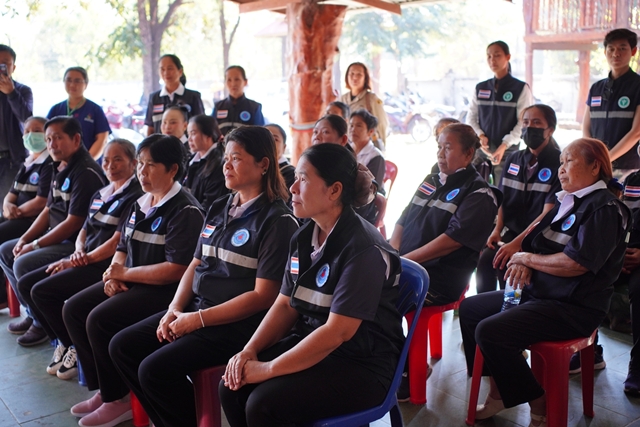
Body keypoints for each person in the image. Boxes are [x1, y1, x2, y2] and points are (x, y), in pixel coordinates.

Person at [110, 126, 299, 427]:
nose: (226, 165)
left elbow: (263, 296)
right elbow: (195, 263)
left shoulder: (277, 220)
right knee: (123, 346)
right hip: (197, 308)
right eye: (226, 158)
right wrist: (174, 309)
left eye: (236, 158)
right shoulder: (220, 206)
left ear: (263, 164)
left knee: (154, 370)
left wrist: (197, 320)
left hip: (236, 324)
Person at [218, 143, 403, 426]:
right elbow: (285, 304)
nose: (292, 188)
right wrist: (250, 350)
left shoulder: (363, 250)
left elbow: (337, 332)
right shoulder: (304, 236)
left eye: (303, 179)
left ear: (334, 190)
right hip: (312, 340)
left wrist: (268, 369)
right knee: (231, 386)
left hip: (362, 363)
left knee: (264, 404)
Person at [459, 138, 630, 427]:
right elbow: (532, 241)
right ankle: (499, 391)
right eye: (561, 162)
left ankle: (538, 402)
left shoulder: (605, 208)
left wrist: (527, 259)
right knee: (471, 310)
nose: (561, 169)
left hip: (573, 306)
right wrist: (522, 260)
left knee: (491, 330)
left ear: (595, 167)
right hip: (541, 294)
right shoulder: (567, 201)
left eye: (569, 162)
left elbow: (576, 264)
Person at [63, 134, 204, 427]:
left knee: (100, 319)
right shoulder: (140, 202)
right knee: (74, 308)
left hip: (165, 291)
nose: (142, 171)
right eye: (140, 164)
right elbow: (122, 246)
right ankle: (107, 391)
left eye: (150, 165)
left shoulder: (184, 209)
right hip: (133, 281)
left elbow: (176, 269)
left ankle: (119, 399)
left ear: (172, 169)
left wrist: (123, 274)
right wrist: (113, 274)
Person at [389, 123, 500, 401]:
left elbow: (451, 241)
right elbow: (405, 216)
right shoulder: (432, 178)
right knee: (360, 290)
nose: (440, 153)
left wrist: (403, 262)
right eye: (439, 147)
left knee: (381, 299)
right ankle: (397, 362)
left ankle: (407, 370)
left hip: (440, 278)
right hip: (408, 266)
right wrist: (392, 251)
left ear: (469, 153)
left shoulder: (479, 193)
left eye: (448, 148)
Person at [16, 139, 142, 380]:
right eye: (106, 160)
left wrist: (81, 259)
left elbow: (116, 243)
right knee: (26, 284)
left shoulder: (135, 196)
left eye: (118, 160)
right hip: (84, 257)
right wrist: (78, 249)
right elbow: (84, 228)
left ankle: (74, 347)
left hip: (103, 264)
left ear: (133, 163)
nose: (110, 166)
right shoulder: (101, 193)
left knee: (44, 292)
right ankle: (65, 342)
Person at [0, 116, 106, 346]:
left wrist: (35, 245)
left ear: (76, 139)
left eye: (57, 138)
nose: (51, 144)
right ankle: (34, 313)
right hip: (56, 235)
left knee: (23, 263)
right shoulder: (59, 166)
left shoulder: (85, 172)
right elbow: (48, 210)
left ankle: (42, 323)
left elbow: (73, 223)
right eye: (48, 139)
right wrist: (25, 239)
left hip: (74, 244)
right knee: (8, 250)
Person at [476, 105, 562, 293]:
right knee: (485, 261)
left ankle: (506, 308)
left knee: (505, 265)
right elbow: (502, 199)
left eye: (536, 122)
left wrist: (516, 245)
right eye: (526, 122)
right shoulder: (514, 159)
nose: (529, 127)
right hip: (511, 232)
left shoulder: (559, 163)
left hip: (539, 237)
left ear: (550, 130)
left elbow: (548, 213)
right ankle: (483, 307)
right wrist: (497, 230)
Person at [0, 116, 52, 305]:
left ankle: (3, 297)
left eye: (36, 131)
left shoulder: (49, 163)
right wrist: (7, 206)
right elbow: (11, 193)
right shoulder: (28, 162)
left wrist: (16, 212)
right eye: (27, 131)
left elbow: (41, 202)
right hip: (18, 216)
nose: (31, 135)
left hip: (33, 221)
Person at [467, 41, 534, 182]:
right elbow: (471, 117)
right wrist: (480, 135)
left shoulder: (520, 88)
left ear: (508, 57)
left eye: (497, 55)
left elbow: (523, 122)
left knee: (504, 191)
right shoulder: (481, 88)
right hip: (481, 151)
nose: (492, 60)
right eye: (489, 56)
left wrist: (505, 144)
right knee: (475, 189)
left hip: (508, 152)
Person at [583, 28, 640, 181]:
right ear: (605, 52)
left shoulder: (637, 86)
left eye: (622, 48)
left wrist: (607, 158)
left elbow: (636, 132)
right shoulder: (596, 88)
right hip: (596, 166)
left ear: (633, 51)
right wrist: (592, 156)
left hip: (628, 168)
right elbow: (586, 127)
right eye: (611, 49)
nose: (616, 54)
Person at [47, 67, 111, 160]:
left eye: (77, 81)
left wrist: (87, 161)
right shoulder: (55, 110)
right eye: (68, 80)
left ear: (86, 84)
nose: (72, 84)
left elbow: (102, 139)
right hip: (60, 163)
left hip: (88, 163)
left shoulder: (95, 110)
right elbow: (47, 137)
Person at [0, 44, 32, 199]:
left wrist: (11, 93)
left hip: (13, 160)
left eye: (5, 63)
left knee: (9, 204)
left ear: (13, 67)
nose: (1, 67)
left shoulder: (23, 91)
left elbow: (27, 119)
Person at [145, 54, 204, 136]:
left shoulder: (193, 96)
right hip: (160, 143)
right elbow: (150, 127)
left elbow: (200, 126)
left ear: (180, 71)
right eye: (162, 69)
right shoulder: (154, 98)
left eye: (170, 68)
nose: (166, 72)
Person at [620, 165, 640, 394]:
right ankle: (590, 351)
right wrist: (617, 253)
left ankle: (638, 367)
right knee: (589, 273)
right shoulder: (632, 180)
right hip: (623, 255)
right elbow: (621, 222)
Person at [183, 114, 228, 211]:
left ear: (208, 135)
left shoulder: (219, 165)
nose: (189, 139)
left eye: (193, 133)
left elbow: (210, 206)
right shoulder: (191, 160)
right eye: (188, 134)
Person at [339, 62, 388, 147]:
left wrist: (381, 144)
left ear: (365, 78)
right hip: (346, 146)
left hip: (365, 147)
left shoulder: (372, 99)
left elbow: (381, 124)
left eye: (359, 74)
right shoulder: (342, 99)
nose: (355, 77)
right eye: (352, 74)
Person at [212, 66, 265, 136]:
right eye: (229, 80)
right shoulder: (218, 107)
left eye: (237, 79)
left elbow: (261, 135)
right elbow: (211, 131)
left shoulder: (254, 107)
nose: (233, 84)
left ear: (245, 82)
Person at [349, 109, 385, 187]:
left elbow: (373, 187)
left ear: (370, 132)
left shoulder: (376, 157)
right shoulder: (346, 149)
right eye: (351, 125)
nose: (353, 129)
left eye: (359, 126)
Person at [265, 123, 295, 191]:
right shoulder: (252, 168)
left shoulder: (290, 173)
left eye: (275, 139)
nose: (269, 142)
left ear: (284, 147)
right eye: (264, 138)